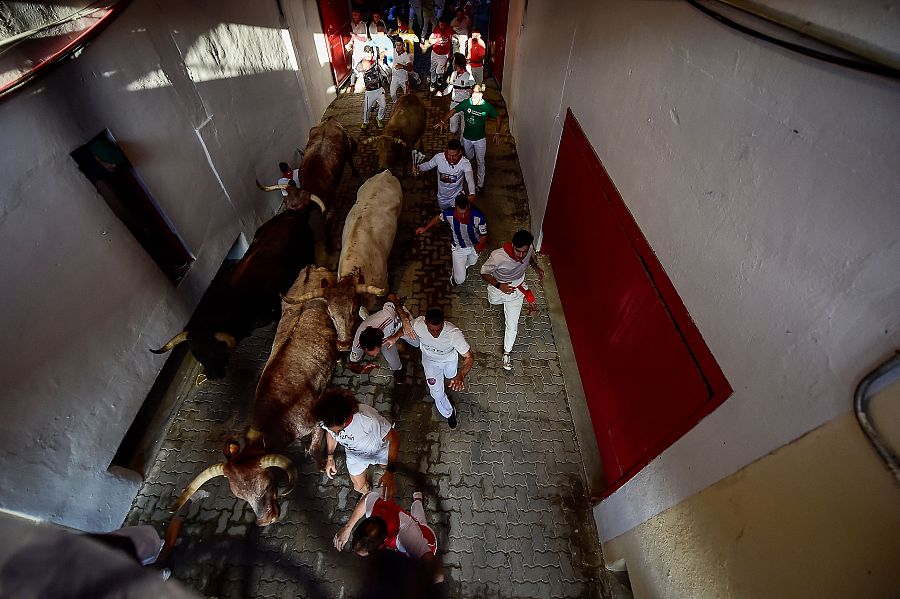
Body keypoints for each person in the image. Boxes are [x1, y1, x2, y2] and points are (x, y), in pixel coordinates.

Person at [333, 490, 444, 583]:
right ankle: (417, 500)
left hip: (427, 542)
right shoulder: (374, 508)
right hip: (411, 524)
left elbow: (438, 575)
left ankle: (418, 501)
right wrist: (347, 528)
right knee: (418, 518)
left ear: (382, 543)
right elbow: (366, 497)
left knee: (421, 521)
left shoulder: (407, 536)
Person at [314, 388, 400, 499]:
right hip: (354, 456)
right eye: (333, 430)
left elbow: (395, 437)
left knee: (385, 466)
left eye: (340, 430)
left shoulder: (367, 419)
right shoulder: (327, 420)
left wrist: (390, 471)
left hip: (379, 451)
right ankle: (368, 495)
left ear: (348, 417)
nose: (337, 435)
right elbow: (330, 433)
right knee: (358, 487)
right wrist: (330, 457)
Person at [479, 230, 544, 371]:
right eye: (518, 251)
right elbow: (483, 272)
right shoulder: (497, 256)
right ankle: (503, 303)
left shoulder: (529, 249)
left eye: (524, 252)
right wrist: (499, 285)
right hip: (499, 288)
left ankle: (507, 353)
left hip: (516, 291)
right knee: (493, 301)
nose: (521, 255)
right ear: (512, 245)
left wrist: (535, 266)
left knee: (512, 325)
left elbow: (529, 258)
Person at [411, 307, 473, 429]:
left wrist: (461, 374)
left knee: (451, 376)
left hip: (449, 360)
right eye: (431, 330)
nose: (435, 334)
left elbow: (469, 357)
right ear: (425, 323)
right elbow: (404, 330)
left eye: (439, 330)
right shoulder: (418, 324)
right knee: (437, 394)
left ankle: (451, 377)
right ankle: (449, 413)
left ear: (444, 322)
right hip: (430, 362)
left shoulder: (454, 334)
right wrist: (395, 336)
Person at [435, 82, 501, 193]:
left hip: (480, 139)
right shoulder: (466, 103)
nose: (474, 98)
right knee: (469, 157)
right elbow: (453, 111)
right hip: (467, 139)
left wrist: (497, 132)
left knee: (481, 161)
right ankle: (468, 172)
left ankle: (480, 184)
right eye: (472, 95)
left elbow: (498, 116)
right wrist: (442, 121)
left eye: (476, 95)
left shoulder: (487, 106)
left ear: (481, 95)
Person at [416, 193, 487, 286]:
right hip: (458, 248)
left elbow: (484, 234)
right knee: (460, 279)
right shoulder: (449, 213)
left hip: (474, 246)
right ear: (455, 208)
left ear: (469, 206)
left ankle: (461, 267)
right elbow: (438, 218)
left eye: (465, 212)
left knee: (472, 262)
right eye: (460, 213)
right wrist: (425, 228)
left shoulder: (479, 216)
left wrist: (481, 244)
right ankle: (455, 277)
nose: (463, 216)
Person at [348, 293, 419, 382]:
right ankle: (398, 370)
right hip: (385, 333)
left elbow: (391, 296)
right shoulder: (357, 344)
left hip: (400, 322)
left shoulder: (388, 318)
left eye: (375, 352)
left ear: (379, 343)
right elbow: (351, 364)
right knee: (394, 363)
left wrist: (404, 322)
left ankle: (368, 316)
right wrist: (362, 369)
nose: (374, 355)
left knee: (416, 343)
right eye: (371, 353)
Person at [415, 138, 475, 211]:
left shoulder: (465, 163)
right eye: (449, 155)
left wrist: (472, 193)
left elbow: (470, 179)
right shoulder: (439, 158)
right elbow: (428, 165)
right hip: (442, 197)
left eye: (454, 155)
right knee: (444, 213)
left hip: (457, 196)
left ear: (460, 152)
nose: (451, 158)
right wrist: (418, 168)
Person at [442, 53, 474, 137]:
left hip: (465, 105)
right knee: (452, 129)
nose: (452, 62)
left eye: (454, 61)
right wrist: (442, 93)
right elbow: (450, 86)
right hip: (454, 104)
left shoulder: (468, 76)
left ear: (457, 63)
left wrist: (471, 92)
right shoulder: (453, 74)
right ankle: (455, 131)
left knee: (464, 130)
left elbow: (474, 89)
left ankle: (462, 144)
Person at [356, 45, 387, 129]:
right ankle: (365, 122)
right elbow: (357, 69)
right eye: (366, 54)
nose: (368, 56)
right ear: (364, 54)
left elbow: (381, 69)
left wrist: (386, 75)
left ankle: (379, 118)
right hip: (370, 91)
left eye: (369, 54)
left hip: (379, 89)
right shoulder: (361, 63)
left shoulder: (375, 60)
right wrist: (362, 69)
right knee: (366, 109)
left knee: (383, 106)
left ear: (372, 53)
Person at [423, 17, 453, 91]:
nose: (441, 26)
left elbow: (454, 37)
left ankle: (440, 77)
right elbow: (430, 40)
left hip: (444, 54)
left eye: (443, 25)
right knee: (432, 69)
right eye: (440, 25)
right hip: (435, 53)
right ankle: (433, 82)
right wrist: (439, 39)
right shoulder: (436, 29)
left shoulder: (449, 30)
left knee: (439, 70)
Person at [347, 10, 370, 91]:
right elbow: (353, 37)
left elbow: (364, 39)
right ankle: (352, 84)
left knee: (363, 67)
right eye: (353, 15)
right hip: (356, 49)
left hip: (362, 50)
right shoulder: (352, 24)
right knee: (354, 67)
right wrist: (350, 43)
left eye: (356, 15)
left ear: (359, 15)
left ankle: (366, 84)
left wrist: (355, 36)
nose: (354, 16)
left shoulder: (363, 25)